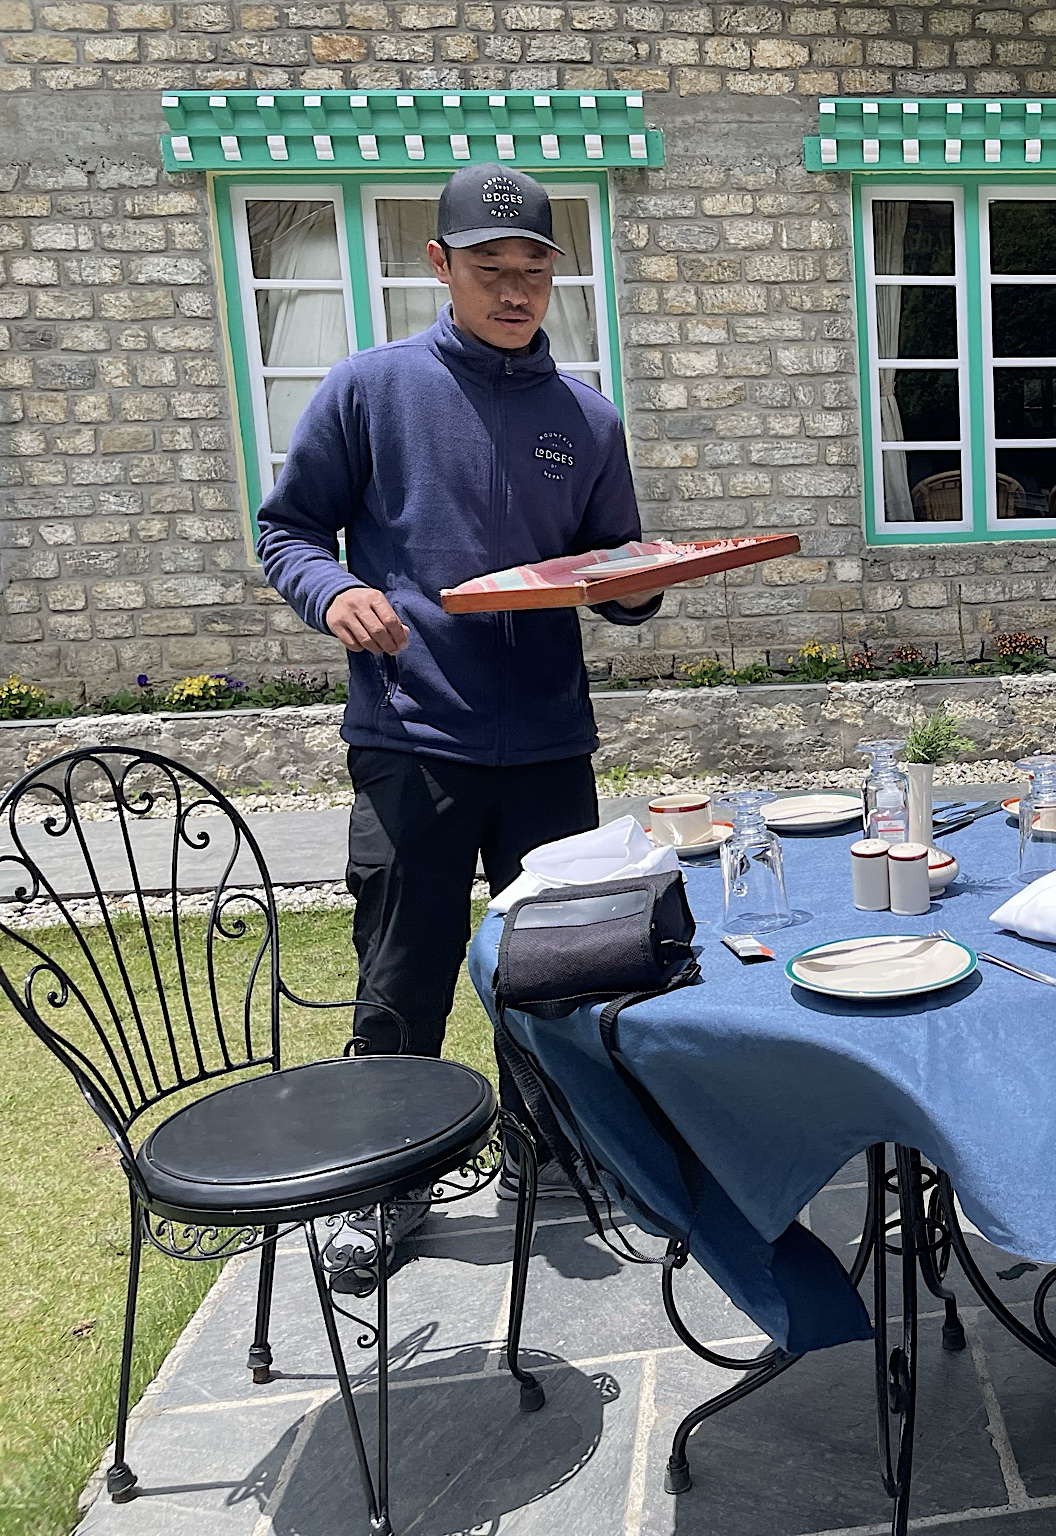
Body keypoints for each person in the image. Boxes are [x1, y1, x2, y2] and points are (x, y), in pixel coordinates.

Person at [258, 164, 658, 1291]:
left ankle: (553, 1150)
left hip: (546, 743)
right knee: (402, 971)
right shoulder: (368, 388)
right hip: (409, 736)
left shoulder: (584, 417)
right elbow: (287, 531)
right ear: (439, 267)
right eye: (492, 271)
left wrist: (636, 585)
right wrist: (332, 595)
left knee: (558, 967)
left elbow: (614, 566)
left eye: (535, 271)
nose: (516, 291)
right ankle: (381, 1186)